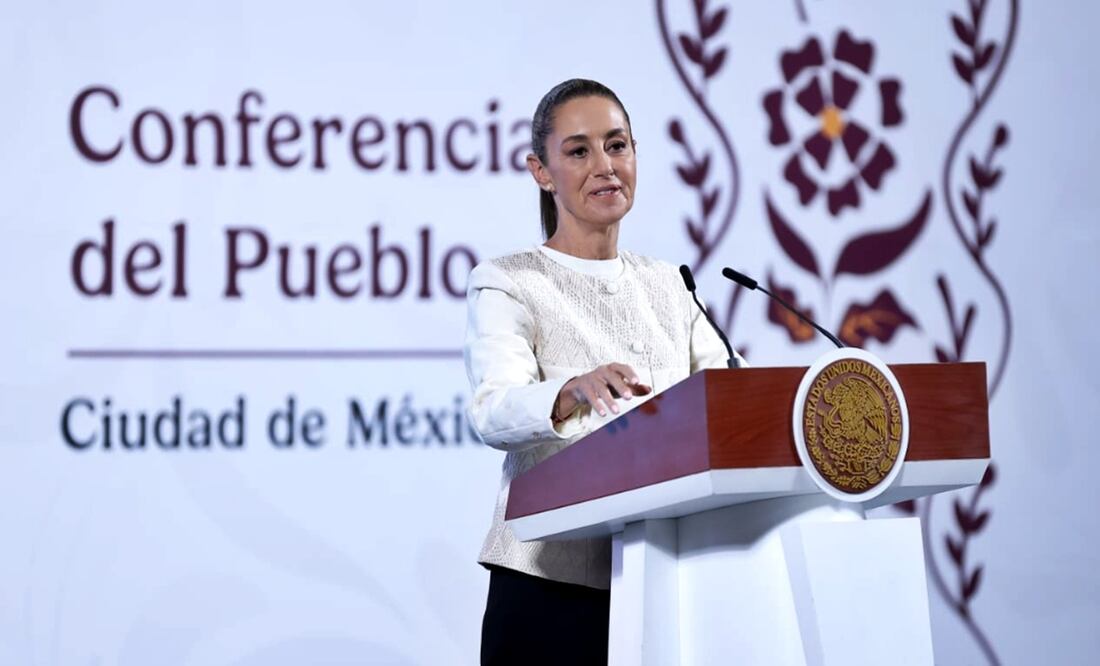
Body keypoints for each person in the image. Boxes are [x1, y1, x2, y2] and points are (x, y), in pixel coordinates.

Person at [463, 78, 744, 665]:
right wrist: (567, 391)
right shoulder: (509, 280)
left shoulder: (672, 285)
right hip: (547, 588)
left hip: (666, 581)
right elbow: (493, 409)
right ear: (540, 171)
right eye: (578, 151)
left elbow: (730, 401)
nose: (605, 166)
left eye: (617, 146)